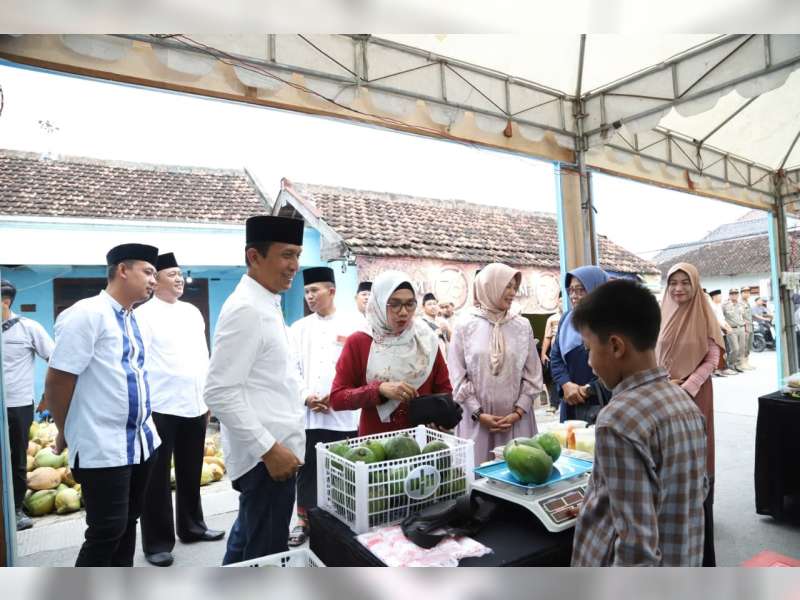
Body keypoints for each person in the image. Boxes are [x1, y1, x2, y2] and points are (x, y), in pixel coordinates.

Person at [570, 279, 708, 566]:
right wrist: (597, 507)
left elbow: (636, 548)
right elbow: (695, 490)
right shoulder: (685, 404)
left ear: (616, 346)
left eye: (588, 349)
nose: (590, 363)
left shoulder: (617, 421)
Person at [45, 243, 161, 566]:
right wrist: (65, 430)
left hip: (142, 443)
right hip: (102, 445)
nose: (154, 280)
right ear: (122, 270)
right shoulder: (86, 314)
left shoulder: (138, 320)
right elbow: (58, 381)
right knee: (106, 530)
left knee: (129, 522)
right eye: (148, 272)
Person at [203, 216, 306, 565]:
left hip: (276, 451)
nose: (294, 265)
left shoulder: (266, 302)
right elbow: (219, 391)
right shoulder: (247, 309)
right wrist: (269, 449)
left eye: (298, 255)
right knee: (265, 556)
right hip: (267, 459)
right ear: (254, 256)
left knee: (247, 543)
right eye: (286, 255)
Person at [135, 252, 223, 567]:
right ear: (155, 279)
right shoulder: (143, 314)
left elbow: (203, 355)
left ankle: (192, 526)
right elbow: (139, 362)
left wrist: (208, 397)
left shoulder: (192, 312)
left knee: (191, 469)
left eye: (180, 274)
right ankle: (157, 543)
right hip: (160, 406)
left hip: (194, 402)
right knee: (156, 478)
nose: (179, 279)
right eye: (171, 274)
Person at [656, 263, 725, 567]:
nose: (679, 288)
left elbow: (713, 357)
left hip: (695, 396)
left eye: (685, 282)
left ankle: (700, 529)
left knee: (695, 455)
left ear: (695, 285)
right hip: (663, 393)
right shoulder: (661, 313)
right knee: (666, 455)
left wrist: (688, 386)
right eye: (674, 283)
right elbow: (654, 355)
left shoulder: (703, 312)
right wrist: (662, 383)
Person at [329, 271, 453, 436]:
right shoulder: (360, 341)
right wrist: (378, 390)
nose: (403, 312)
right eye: (394, 304)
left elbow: (444, 390)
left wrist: (442, 416)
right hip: (376, 442)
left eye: (410, 304)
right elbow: (337, 398)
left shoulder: (426, 340)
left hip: (423, 441)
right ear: (379, 303)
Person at [288, 266, 359, 547]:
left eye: (314, 290)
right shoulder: (298, 329)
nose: (309, 296)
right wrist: (306, 395)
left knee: (344, 470)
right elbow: (290, 369)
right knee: (307, 471)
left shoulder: (355, 325)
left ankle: (341, 521)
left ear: (331, 291)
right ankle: (303, 520)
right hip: (310, 414)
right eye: (306, 291)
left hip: (344, 414)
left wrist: (336, 395)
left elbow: (361, 368)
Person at [448, 263, 543, 463]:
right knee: (478, 474)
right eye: (507, 286)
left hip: (517, 423)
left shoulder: (522, 325)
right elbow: (456, 375)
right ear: (489, 286)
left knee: (519, 472)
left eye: (514, 287)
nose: (512, 292)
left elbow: (533, 373)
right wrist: (478, 413)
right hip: (476, 422)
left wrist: (518, 412)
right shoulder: (465, 325)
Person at [1, 279, 54, 531]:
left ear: (5, 302)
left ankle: (16, 509)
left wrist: (47, 396)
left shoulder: (29, 328)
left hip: (17, 405)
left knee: (17, 458)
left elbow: (55, 359)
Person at [549, 266, 610, 423]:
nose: (574, 296)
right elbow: (555, 357)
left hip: (602, 401)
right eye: (571, 290)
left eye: (581, 290)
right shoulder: (566, 320)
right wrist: (565, 384)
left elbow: (618, 367)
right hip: (570, 401)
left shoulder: (611, 322)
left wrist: (587, 389)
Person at [540, 292, 563, 415]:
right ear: (557, 302)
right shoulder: (552, 319)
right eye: (560, 300)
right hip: (555, 353)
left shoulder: (573, 316)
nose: (562, 303)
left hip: (568, 353)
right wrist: (543, 353)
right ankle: (554, 404)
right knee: (555, 377)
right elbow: (547, 337)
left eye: (563, 300)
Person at [709, 290, 736, 376]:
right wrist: (725, 328)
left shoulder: (718, 306)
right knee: (719, 351)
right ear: (714, 297)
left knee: (725, 350)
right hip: (717, 332)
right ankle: (717, 369)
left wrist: (728, 327)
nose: (721, 298)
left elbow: (722, 319)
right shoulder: (711, 306)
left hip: (723, 332)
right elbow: (715, 320)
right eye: (719, 296)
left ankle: (723, 367)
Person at [722, 289, 746, 372]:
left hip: (741, 328)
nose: (734, 295)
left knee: (741, 348)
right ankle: (730, 364)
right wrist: (725, 328)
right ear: (729, 295)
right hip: (731, 329)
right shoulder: (725, 305)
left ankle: (738, 365)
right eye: (732, 294)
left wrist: (745, 327)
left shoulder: (741, 304)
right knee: (735, 348)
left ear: (738, 295)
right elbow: (721, 317)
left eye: (736, 293)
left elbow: (743, 316)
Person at [420, 292, 450, 357]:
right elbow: (421, 344)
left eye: (434, 304)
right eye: (429, 304)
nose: (433, 306)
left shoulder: (441, 320)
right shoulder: (421, 323)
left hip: (443, 357)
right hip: (430, 359)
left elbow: (450, 339)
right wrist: (438, 332)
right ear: (423, 307)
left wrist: (447, 329)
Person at [738, 286, 755, 370]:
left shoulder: (747, 302)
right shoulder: (739, 303)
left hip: (750, 326)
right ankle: (742, 363)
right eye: (745, 292)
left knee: (749, 345)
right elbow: (740, 315)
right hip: (745, 327)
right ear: (741, 293)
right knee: (744, 345)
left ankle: (747, 362)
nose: (747, 294)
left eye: (748, 292)